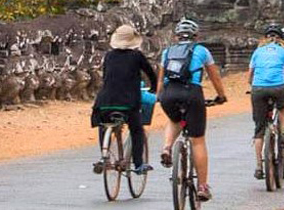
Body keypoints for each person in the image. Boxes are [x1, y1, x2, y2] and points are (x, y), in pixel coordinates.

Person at [157, 18, 227, 202]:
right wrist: (221, 96)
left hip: (169, 94)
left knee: (174, 120)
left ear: (177, 36)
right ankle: (203, 187)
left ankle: (167, 147)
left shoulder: (167, 52)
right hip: (191, 94)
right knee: (197, 141)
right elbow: (215, 77)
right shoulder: (202, 51)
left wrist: (160, 97)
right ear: (196, 36)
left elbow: (160, 80)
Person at [91, 24, 158, 174]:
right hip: (128, 102)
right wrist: (154, 88)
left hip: (105, 101)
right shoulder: (137, 56)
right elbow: (151, 74)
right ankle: (139, 164)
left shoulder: (108, 56)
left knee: (104, 124)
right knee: (136, 129)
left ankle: (104, 156)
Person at [249, 24, 284, 180]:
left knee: (259, 130)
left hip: (258, 89)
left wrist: (252, 85)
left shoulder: (257, 51)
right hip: (279, 87)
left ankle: (259, 166)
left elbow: (251, 74)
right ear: (280, 39)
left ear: (265, 39)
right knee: (283, 108)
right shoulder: (282, 51)